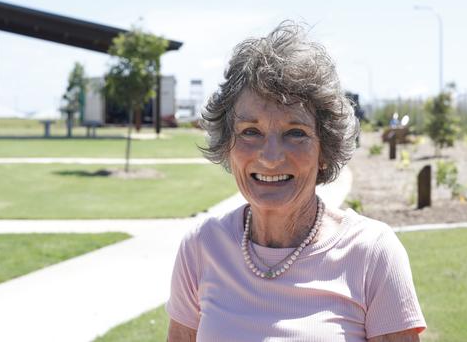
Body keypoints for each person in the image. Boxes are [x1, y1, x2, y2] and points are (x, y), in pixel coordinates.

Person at [166, 21, 426, 342]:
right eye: (251, 131)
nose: (271, 157)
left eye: (295, 133)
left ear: (325, 151)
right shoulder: (201, 247)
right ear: (227, 146)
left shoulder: (371, 253)